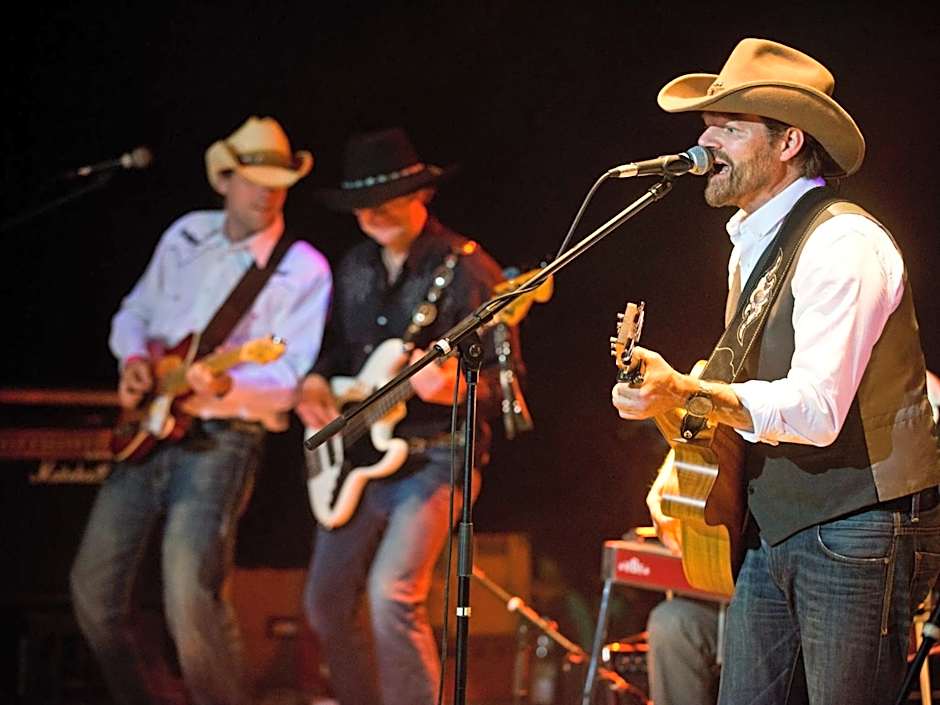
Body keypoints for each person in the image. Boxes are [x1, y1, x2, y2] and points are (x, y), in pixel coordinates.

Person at [610, 38, 940, 705]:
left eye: (730, 127)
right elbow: (749, 395)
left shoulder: (841, 243)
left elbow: (817, 411)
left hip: (856, 525)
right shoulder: (751, 249)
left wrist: (686, 386)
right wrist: (671, 396)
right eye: (710, 123)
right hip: (775, 524)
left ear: (788, 142)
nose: (706, 140)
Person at [70, 116, 332, 705]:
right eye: (254, 180)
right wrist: (135, 359)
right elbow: (133, 312)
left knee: (190, 592)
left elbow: (287, 376)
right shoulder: (185, 234)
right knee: (92, 592)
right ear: (225, 179)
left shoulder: (302, 268)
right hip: (150, 428)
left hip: (224, 438)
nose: (266, 193)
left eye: (277, 182)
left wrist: (217, 384)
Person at [297, 127, 519, 705]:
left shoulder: (468, 269)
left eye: (388, 200)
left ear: (422, 196)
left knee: (391, 594)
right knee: (324, 601)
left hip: (438, 458)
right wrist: (315, 383)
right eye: (362, 205)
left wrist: (453, 389)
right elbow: (335, 354)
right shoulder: (352, 267)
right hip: (359, 459)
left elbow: (507, 387)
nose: (373, 214)